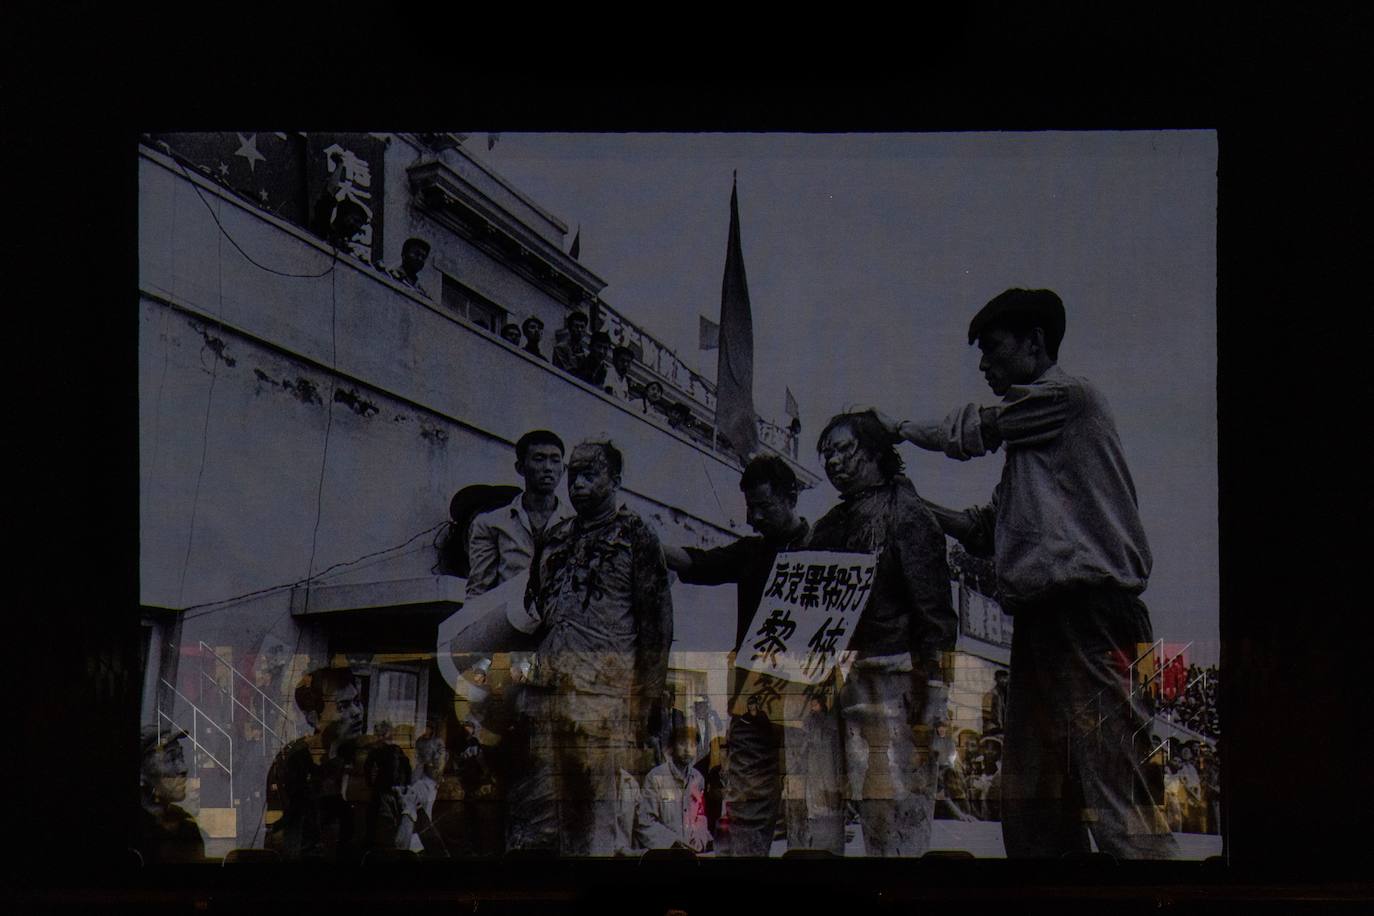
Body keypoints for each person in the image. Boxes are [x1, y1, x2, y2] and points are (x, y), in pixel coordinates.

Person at [873, 287, 1177, 859]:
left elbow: (973, 432)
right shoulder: (1034, 446)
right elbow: (986, 529)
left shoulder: (1067, 396)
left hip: (1093, 614)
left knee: (1117, 793)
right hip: (1044, 622)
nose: (984, 366)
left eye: (992, 350)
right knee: (1035, 804)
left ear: (1035, 343)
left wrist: (897, 427)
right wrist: (911, 503)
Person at [803, 411, 959, 856]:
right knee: (821, 814)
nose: (832, 461)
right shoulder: (828, 525)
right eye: (826, 453)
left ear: (873, 452)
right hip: (831, 686)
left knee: (893, 819)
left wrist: (936, 689)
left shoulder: (910, 515)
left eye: (843, 450)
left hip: (893, 684)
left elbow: (936, 617)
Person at [507, 440, 674, 856]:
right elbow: (533, 616)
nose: (577, 484)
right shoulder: (556, 537)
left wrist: (645, 706)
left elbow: (657, 629)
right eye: (573, 475)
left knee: (596, 817)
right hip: (546, 694)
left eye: (589, 474)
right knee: (536, 812)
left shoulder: (638, 536)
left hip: (603, 701)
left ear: (615, 480)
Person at [660, 454, 810, 856]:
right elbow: (701, 563)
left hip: (809, 694)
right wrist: (651, 543)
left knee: (810, 803)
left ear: (791, 496)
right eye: (749, 509)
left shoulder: (825, 548)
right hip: (754, 692)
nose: (754, 518)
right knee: (747, 803)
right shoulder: (750, 552)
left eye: (764, 507)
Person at [265, 666, 389, 862]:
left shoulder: (365, 755)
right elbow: (290, 836)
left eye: (357, 702)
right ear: (314, 718)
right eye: (343, 706)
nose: (357, 712)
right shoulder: (294, 761)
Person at [466, 430, 574, 599]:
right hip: (509, 619)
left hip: (560, 621)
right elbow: (478, 591)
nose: (548, 468)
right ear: (520, 468)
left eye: (555, 460)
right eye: (539, 459)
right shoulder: (490, 523)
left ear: (563, 469)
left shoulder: (576, 523)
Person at [634, 724, 712, 852]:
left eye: (692, 745)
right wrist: (671, 842)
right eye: (682, 744)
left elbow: (701, 817)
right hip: (664, 853)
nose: (687, 750)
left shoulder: (698, 779)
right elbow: (644, 822)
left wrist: (699, 839)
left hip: (692, 853)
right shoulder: (656, 777)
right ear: (672, 747)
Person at [136, 727, 205, 863]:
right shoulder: (136, 830)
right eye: (170, 759)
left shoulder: (186, 828)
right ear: (143, 773)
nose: (183, 768)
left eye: (181, 757)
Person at [396, 735, 449, 854]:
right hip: (418, 849)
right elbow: (407, 823)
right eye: (441, 753)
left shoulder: (435, 784)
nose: (445, 759)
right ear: (430, 761)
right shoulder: (420, 788)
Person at [982, 669, 1009, 736]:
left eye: (1006, 678)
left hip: (1002, 730)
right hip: (992, 730)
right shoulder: (990, 695)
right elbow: (986, 715)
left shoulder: (1005, 695)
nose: (1004, 681)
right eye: (1002, 678)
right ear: (996, 679)